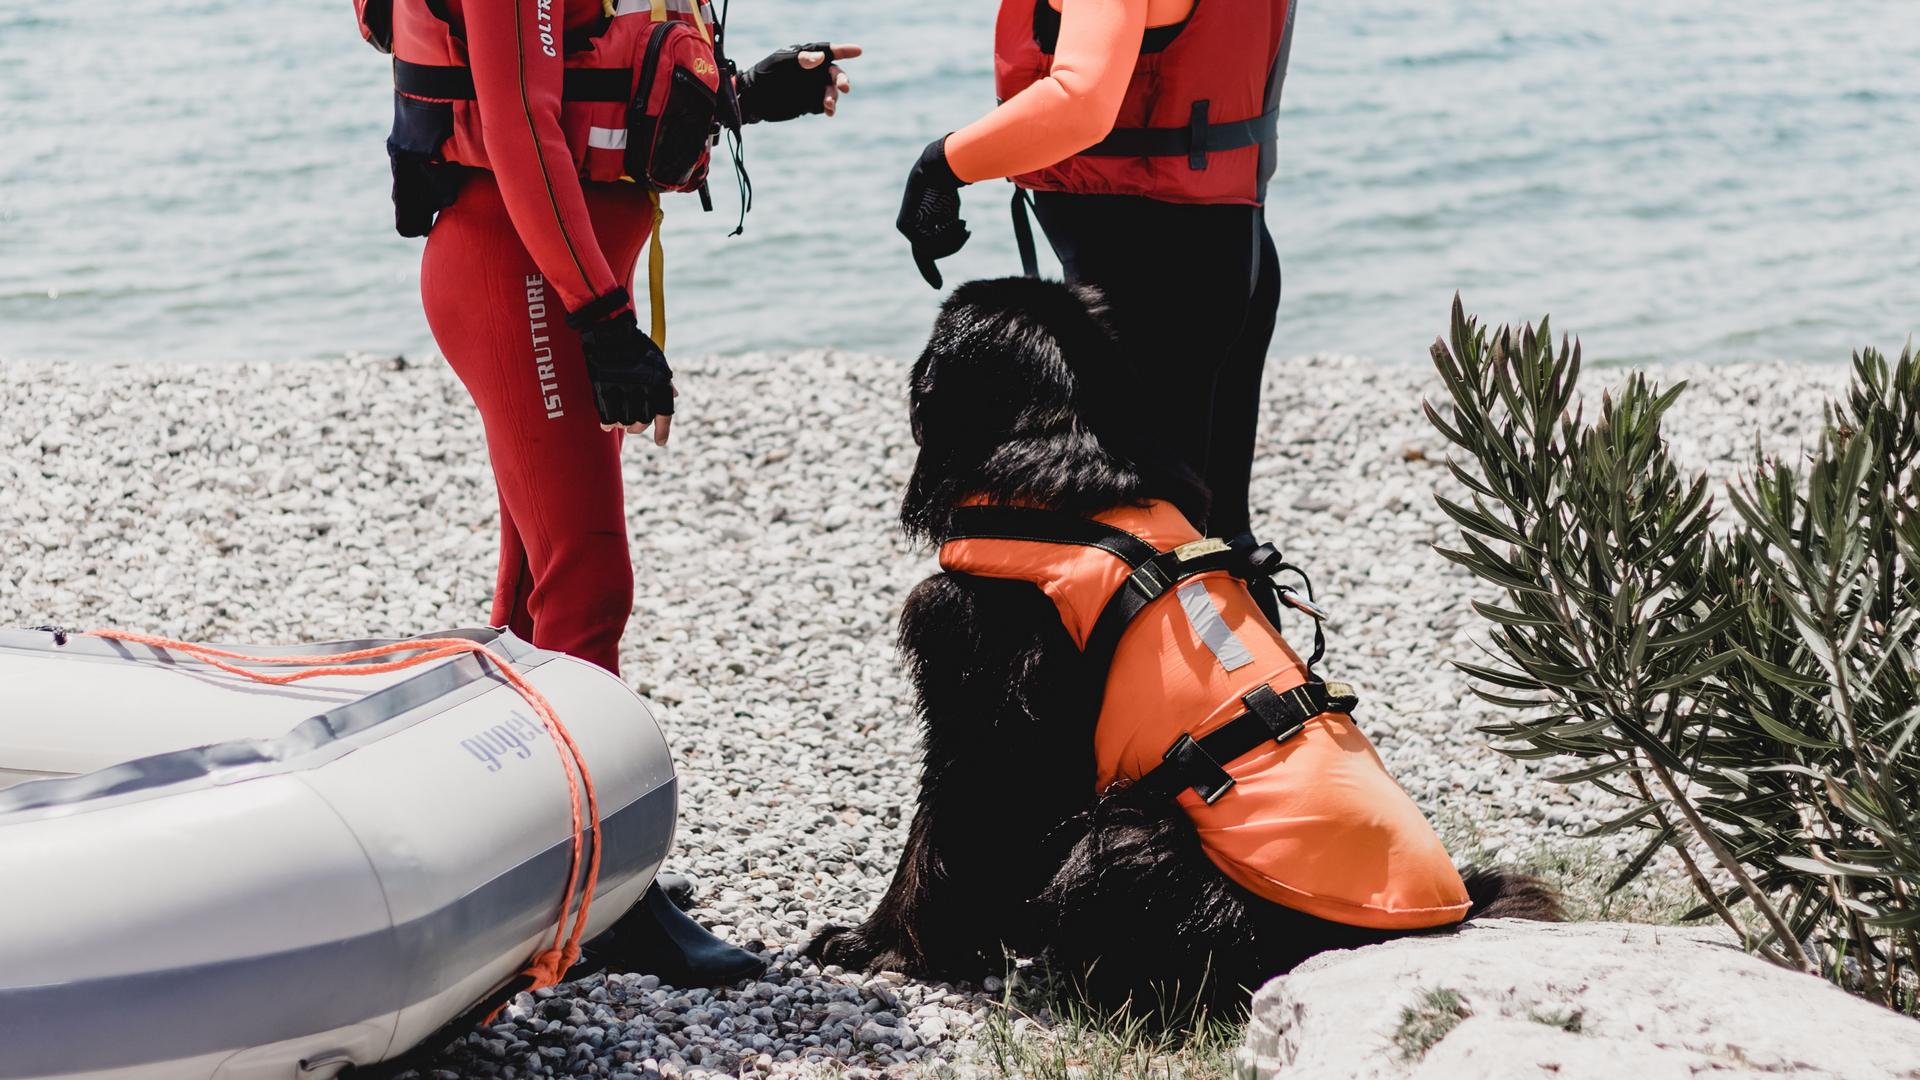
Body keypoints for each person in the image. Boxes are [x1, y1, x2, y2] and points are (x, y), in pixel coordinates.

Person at [356, 0, 862, 985]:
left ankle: (522, 865)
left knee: (534, 596)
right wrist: (600, 320)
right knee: (588, 582)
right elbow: (519, 125)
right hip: (524, 273)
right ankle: (602, 900)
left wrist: (745, 95)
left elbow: (587, 69)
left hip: (548, 269)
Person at [896, 0, 1295, 545]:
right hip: (1226, 243)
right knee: (1214, 529)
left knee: (1147, 531)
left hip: (1146, 266)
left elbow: (1080, 102)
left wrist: (939, 167)